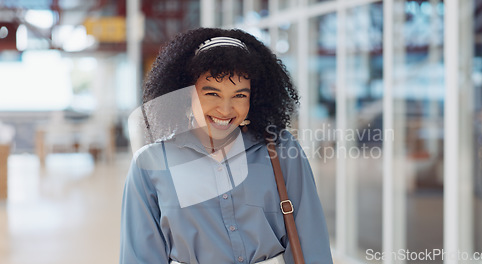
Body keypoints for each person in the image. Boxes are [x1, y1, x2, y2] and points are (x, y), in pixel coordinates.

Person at [120, 28, 333, 264]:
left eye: (240, 95)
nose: (225, 109)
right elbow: (139, 257)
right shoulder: (150, 165)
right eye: (212, 93)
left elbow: (312, 242)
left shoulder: (282, 150)